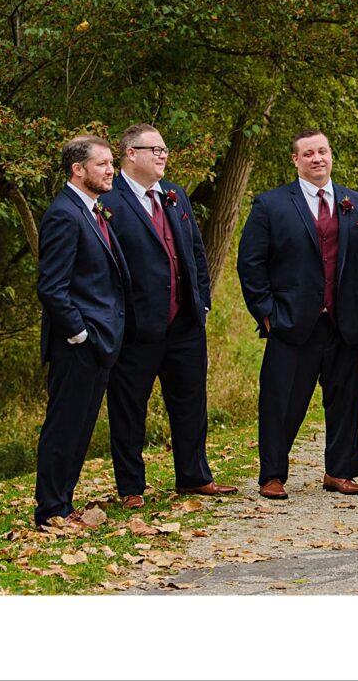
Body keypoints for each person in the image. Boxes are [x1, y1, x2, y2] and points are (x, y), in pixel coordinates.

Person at [237, 129, 358, 500]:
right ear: (295, 160)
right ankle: (272, 474)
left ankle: (341, 471)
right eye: (308, 153)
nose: (317, 158)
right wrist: (267, 314)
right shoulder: (271, 205)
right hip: (290, 323)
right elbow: (251, 265)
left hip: (345, 323)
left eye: (322, 151)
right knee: (280, 401)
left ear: (331, 155)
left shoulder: (357, 204)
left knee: (345, 400)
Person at [99, 124, 236, 509]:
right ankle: (131, 488)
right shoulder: (111, 199)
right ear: (130, 154)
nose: (163, 155)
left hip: (185, 324)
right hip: (136, 327)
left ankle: (194, 477)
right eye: (154, 149)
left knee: (191, 403)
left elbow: (195, 253)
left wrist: (202, 302)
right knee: (129, 409)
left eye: (164, 150)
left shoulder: (175, 195)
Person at [34, 136, 131, 526]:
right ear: (78, 170)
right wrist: (80, 335)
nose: (111, 170)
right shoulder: (64, 214)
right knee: (64, 427)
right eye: (103, 164)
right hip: (77, 345)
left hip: (99, 343)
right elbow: (52, 287)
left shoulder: (93, 210)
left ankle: (63, 504)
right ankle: (51, 510)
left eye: (111, 163)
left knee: (79, 429)